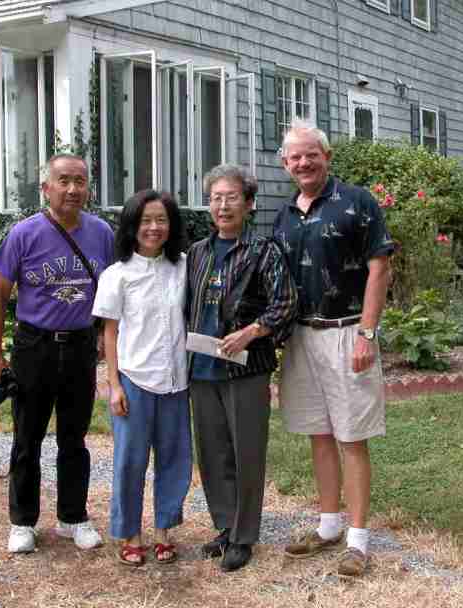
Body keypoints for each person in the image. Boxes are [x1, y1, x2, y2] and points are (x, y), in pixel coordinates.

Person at [273, 121, 394, 576]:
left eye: (311, 155)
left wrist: (367, 333)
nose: (303, 163)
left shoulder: (357, 202)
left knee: (351, 436)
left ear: (327, 156)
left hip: (347, 333)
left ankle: (358, 541)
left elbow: (378, 267)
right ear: (285, 164)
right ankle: (328, 527)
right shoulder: (285, 214)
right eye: (294, 158)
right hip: (302, 337)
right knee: (319, 433)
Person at [0, 153, 114, 554]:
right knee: (27, 439)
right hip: (33, 347)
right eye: (64, 181)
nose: (73, 189)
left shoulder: (102, 233)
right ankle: (22, 521)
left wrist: (108, 351)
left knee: (74, 439)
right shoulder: (23, 234)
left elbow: (112, 294)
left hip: (79, 347)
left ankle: (72, 517)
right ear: (46, 188)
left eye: (80, 181)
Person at [186, 164, 297, 572]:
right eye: (216, 197)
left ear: (249, 204)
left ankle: (244, 536)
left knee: (246, 453)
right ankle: (224, 526)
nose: (223, 205)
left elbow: (285, 303)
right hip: (202, 369)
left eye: (232, 197)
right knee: (213, 453)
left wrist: (252, 332)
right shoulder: (197, 252)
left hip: (245, 369)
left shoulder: (263, 251)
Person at [92, 189, 192, 567]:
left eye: (161, 220)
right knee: (131, 461)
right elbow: (110, 334)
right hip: (135, 380)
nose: (154, 227)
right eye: (146, 220)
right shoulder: (117, 275)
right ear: (132, 226)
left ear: (171, 225)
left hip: (176, 381)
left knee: (174, 459)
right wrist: (114, 385)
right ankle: (130, 533)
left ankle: (165, 530)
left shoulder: (183, 266)